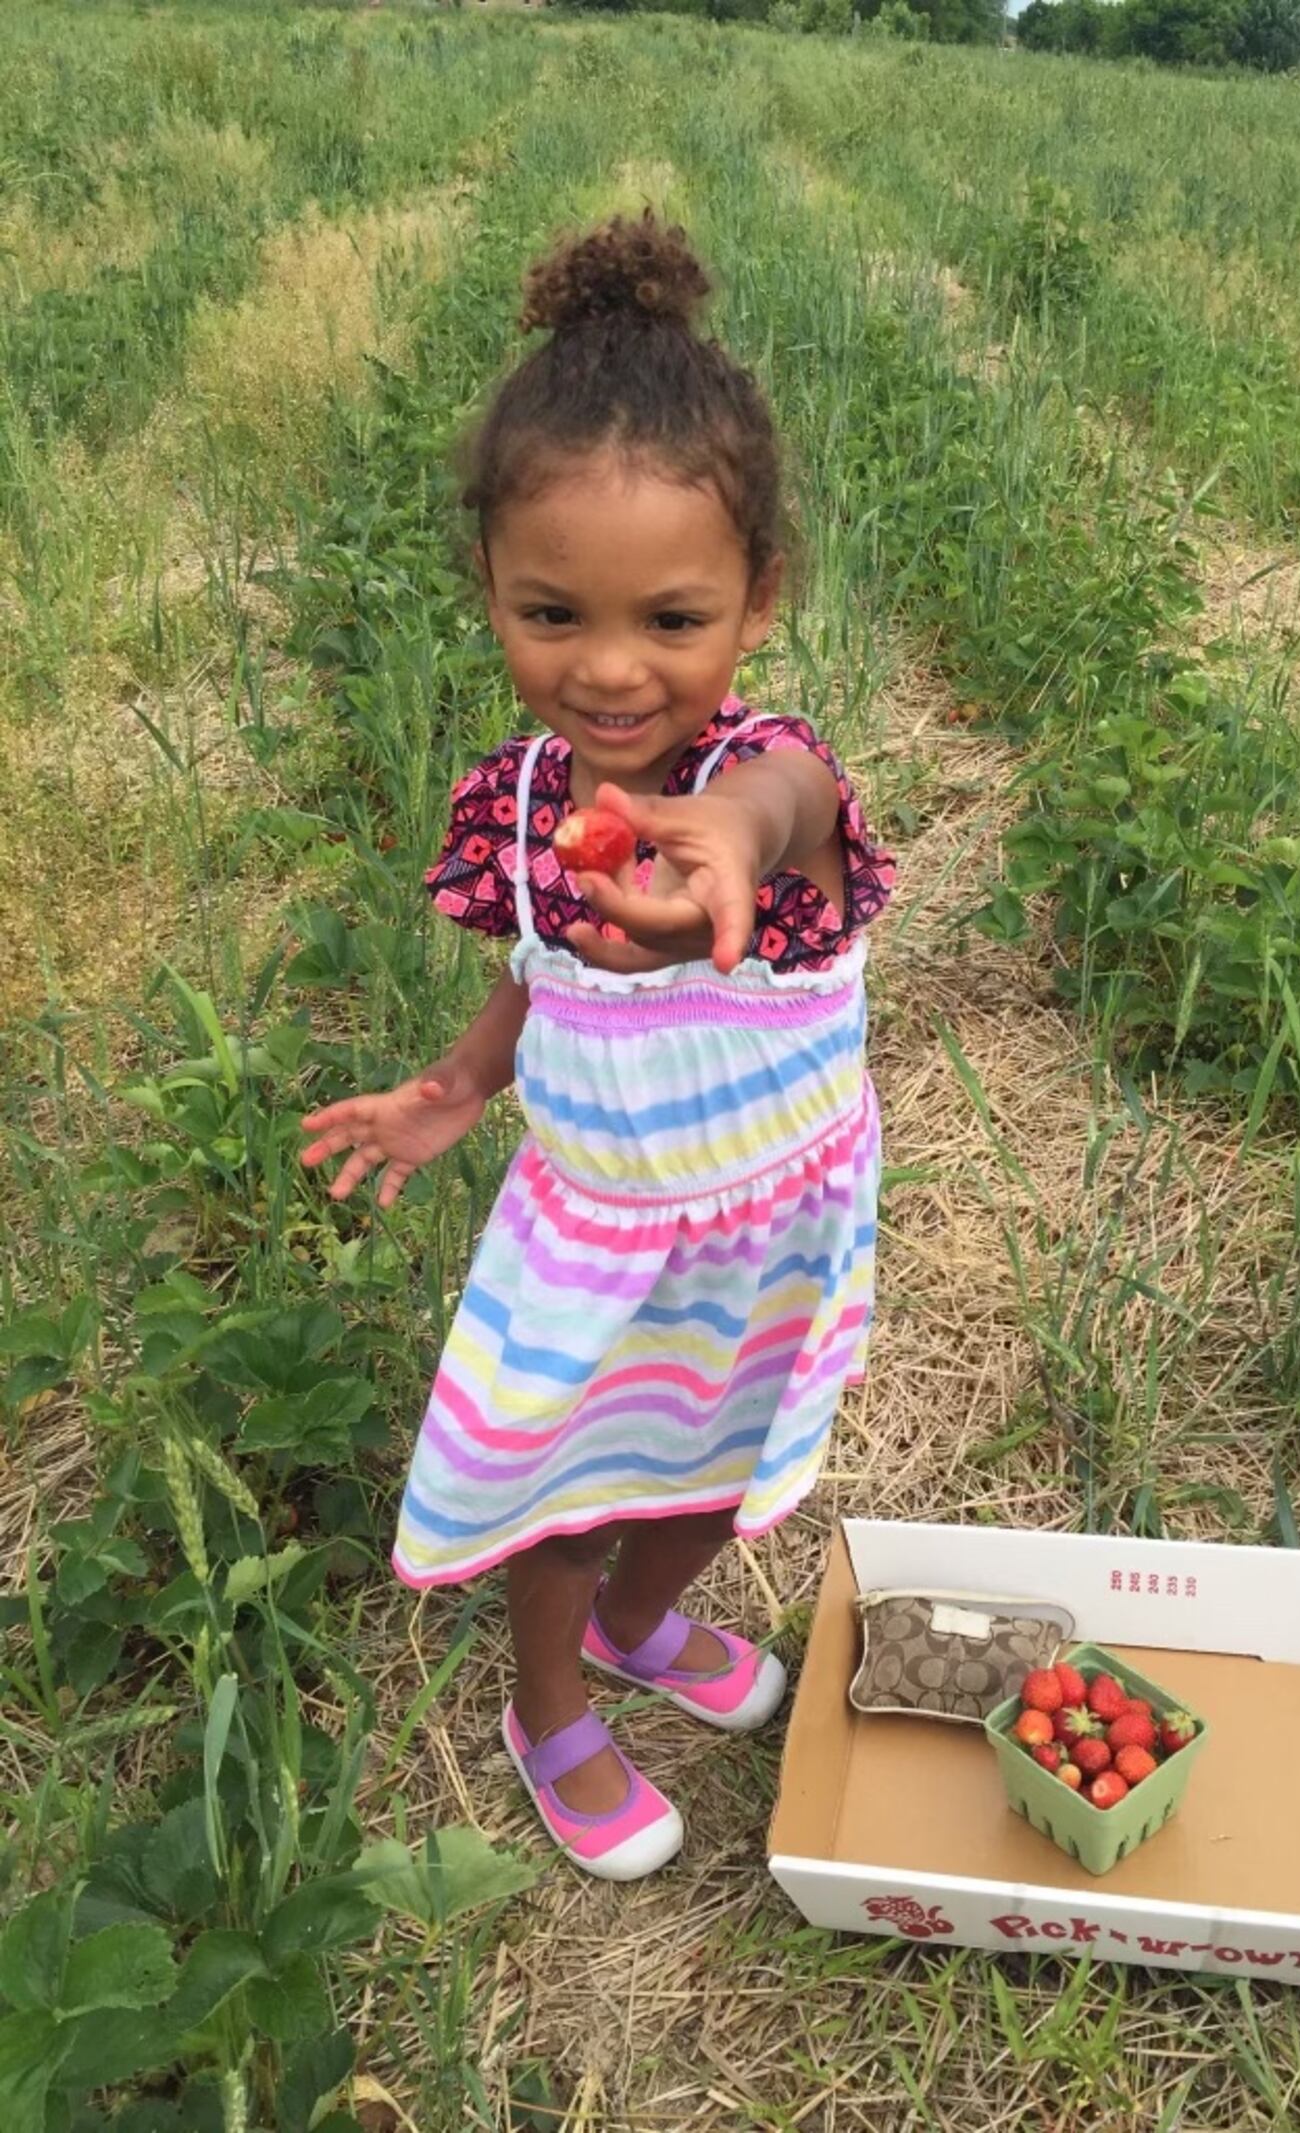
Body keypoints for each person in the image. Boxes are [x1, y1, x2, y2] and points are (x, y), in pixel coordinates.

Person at [300, 212, 894, 1880]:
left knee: (713, 1473)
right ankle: (551, 1698)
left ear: (758, 599)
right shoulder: (523, 803)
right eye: (551, 610)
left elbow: (772, 812)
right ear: (487, 585)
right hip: (592, 1230)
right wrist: (460, 1081)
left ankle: (651, 1619)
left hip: (773, 1221)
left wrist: (728, 837)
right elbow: (544, 968)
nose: (611, 666)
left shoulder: (783, 782)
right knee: (566, 1486)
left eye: (673, 616)